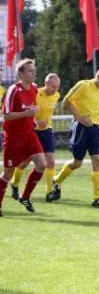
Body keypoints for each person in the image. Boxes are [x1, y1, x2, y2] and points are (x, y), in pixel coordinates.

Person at [50, 66, 99, 207]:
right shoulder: (83, 85)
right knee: (77, 163)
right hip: (80, 128)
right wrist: (79, 117)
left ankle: (98, 197)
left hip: (95, 128)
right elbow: (67, 101)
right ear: (98, 75)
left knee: (97, 161)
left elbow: (96, 104)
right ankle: (57, 180)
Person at [0, 59, 47, 216]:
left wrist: (34, 122)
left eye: (34, 70)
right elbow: (6, 116)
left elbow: (30, 111)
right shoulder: (13, 90)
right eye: (30, 71)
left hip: (29, 135)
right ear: (20, 74)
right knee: (8, 173)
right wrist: (27, 114)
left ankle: (25, 196)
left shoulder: (34, 88)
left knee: (42, 164)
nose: (33, 73)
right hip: (13, 138)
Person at [10, 73, 61, 203]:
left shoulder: (56, 95)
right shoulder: (35, 94)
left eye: (57, 87)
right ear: (46, 83)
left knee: (50, 161)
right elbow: (27, 112)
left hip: (47, 131)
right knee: (24, 163)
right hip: (32, 131)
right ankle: (14, 184)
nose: (55, 90)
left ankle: (50, 192)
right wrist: (36, 122)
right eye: (53, 86)